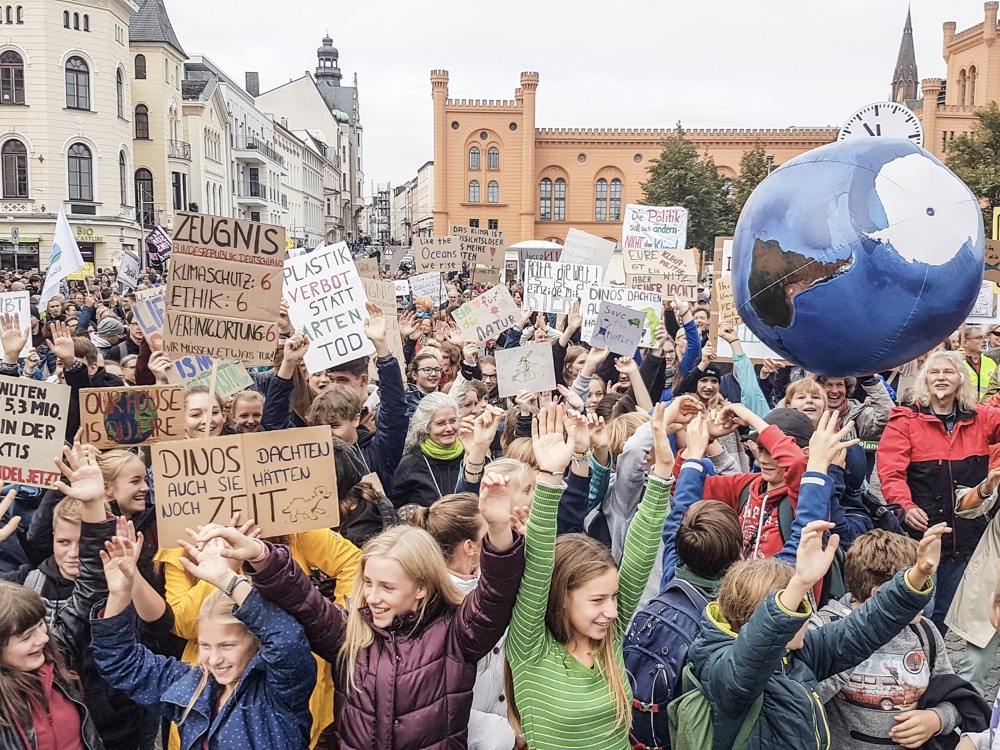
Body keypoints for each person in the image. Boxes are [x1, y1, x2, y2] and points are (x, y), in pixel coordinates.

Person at [193, 457, 525, 750]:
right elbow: (302, 599)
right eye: (368, 583)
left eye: (388, 587)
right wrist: (259, 555)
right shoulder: (350, 634)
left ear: (422, 587)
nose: (373, 597)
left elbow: (494, 596)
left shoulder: (455, 634)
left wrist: (497, 530)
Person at [688, 518, 946, 750]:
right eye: (799, 609)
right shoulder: (724, 672)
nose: (809, 615)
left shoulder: (797, 654)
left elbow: (864, 627)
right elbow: (753, 655)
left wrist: (916, 576)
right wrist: (799, 583)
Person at [507, 403, 674, 750]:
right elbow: (539, 563)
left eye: (613, 597)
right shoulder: (530, 648)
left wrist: (661, 476)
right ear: (561, 598)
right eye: (597, 600)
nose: (613, 611)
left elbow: (640, 555)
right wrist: (551, 476)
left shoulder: (607, 637)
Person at [92, 533, 316, 750]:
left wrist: (226, 579)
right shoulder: (193, 685)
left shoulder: (281, 689)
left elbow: (287, 639)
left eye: (227, 646)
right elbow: (120, 662)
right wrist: (120, 594)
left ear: (257, 641)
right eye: (205, 646)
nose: (215, 659)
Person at [815, 530, 984, 749]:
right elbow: (807, 697)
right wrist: (855, 641)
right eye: (918, 589)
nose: (927, 600)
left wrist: (937, 719)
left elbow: (951, 693)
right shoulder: (826, 628)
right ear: (882, 595)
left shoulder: (924, 631)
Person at [878, 351, 1000, 633]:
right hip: (921, 531)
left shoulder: (981, 417)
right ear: (925, 379)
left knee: (945, 610)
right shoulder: (906, 419)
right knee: (920, 607)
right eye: (935, 372)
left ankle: (935, 665)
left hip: (965, 534)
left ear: (960, 380)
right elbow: (890, 473)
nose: (941, 378)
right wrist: (904, 506)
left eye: (948, 372)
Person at [411, 491, 524, 750]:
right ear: (470, 547)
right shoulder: (434, 604)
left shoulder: (486, 581)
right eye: (489, 533)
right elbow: (438, 703)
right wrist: (503, 733)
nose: (496, 538)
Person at [0, 582, 103, 749]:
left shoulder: (57, 659)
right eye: (26, 637)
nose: (44, 639)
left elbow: (84, 603)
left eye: (41, 625)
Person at [392, 392, 465, 508]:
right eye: (440, 423)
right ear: (425, 427)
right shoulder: (409, 465)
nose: (449, 428)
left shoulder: (470, 457)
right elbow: (396, 508)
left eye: (453, 421)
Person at [963, 326, 997, 402]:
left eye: (985, 337)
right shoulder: (958, 362)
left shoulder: (991, 362)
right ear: (965, 342)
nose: (984, 341)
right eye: (979, 338)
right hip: (964, 409)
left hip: (987, 409)